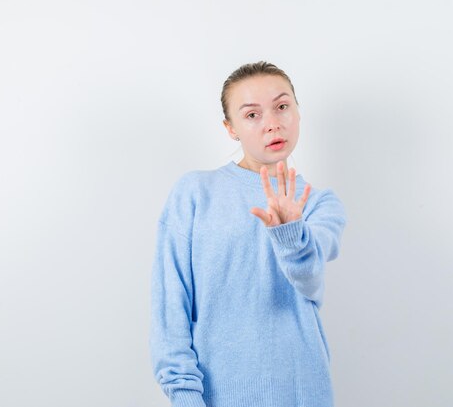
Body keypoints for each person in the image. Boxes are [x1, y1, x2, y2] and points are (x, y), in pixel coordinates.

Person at [149, 61, 347, 407]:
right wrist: (185, 396)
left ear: (298, 113)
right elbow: (170, 302)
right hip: (216, 394)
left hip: (302, 389)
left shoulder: (318, 202)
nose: (272, 124)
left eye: (282, 107)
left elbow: (310, 281)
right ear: (231, 129)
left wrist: (290, 233)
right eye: (252, 115)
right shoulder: (195, 192)